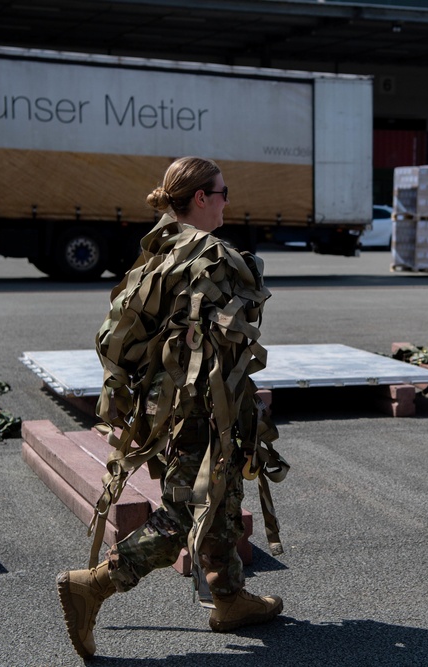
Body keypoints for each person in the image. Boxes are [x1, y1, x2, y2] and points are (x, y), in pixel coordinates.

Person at [56, 156, 288, 659]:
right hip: (204, 406)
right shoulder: (212, 255)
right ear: (201, 198)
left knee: (220, 496)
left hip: (168, 405)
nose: (228, 201)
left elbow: (120, 332)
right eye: (222, 192)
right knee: (187, 509)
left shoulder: (158, 249)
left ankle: (228, 599)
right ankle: (93, 584)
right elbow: (228, 339)